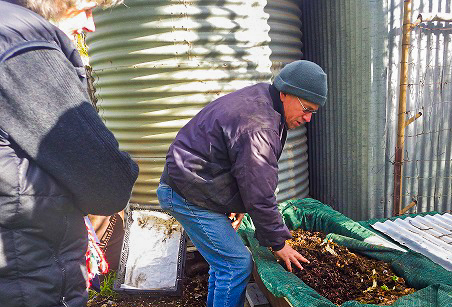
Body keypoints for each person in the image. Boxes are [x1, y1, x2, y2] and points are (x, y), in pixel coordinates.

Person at [0, 1, 139, 307]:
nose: (90, 25)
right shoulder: (23, 45)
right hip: (25, 280)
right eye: (85, 8)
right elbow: (108, 184)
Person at [157, 60, 328, 307]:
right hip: (186, 193)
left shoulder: (265, 100)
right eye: (306, 108)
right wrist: (278, 243)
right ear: (285, 93)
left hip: (194, 186)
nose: (308, 118)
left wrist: (237, 204)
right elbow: (259, 190)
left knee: (223, 263)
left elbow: (240, 167)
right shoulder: (259, 125)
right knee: (236, 264)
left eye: (314, 112)